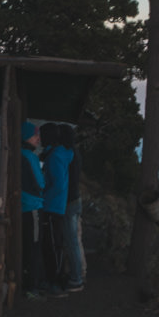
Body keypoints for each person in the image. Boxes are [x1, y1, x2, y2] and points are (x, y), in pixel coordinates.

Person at [39, 122, 72, 297]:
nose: (39, 139)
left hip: (52, 206)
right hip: (57, 205)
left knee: (51, 245)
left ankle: (55, 282)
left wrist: (43, 196)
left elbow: (57, 183)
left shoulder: (55, 156)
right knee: (55, 243)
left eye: (41, 135)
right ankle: (55, 279)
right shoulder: (60, 153)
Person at [19, 120, 47, 299]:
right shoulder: (30, 157)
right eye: (35, 135)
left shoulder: (17, 154)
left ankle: (26, 281)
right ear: (26, 137)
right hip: (33, 206)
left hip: (21, 205)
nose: (38, 138)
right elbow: (40, 183)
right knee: (35, 246)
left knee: (25, 244)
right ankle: (33, 287)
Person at [60, 124, 85, 292]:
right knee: (75, 239)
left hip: (68, 201)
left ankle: (76, 278)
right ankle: (79, 272)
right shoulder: (75, 152)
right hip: (76, 199)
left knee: (71, 241)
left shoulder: (66, 154)